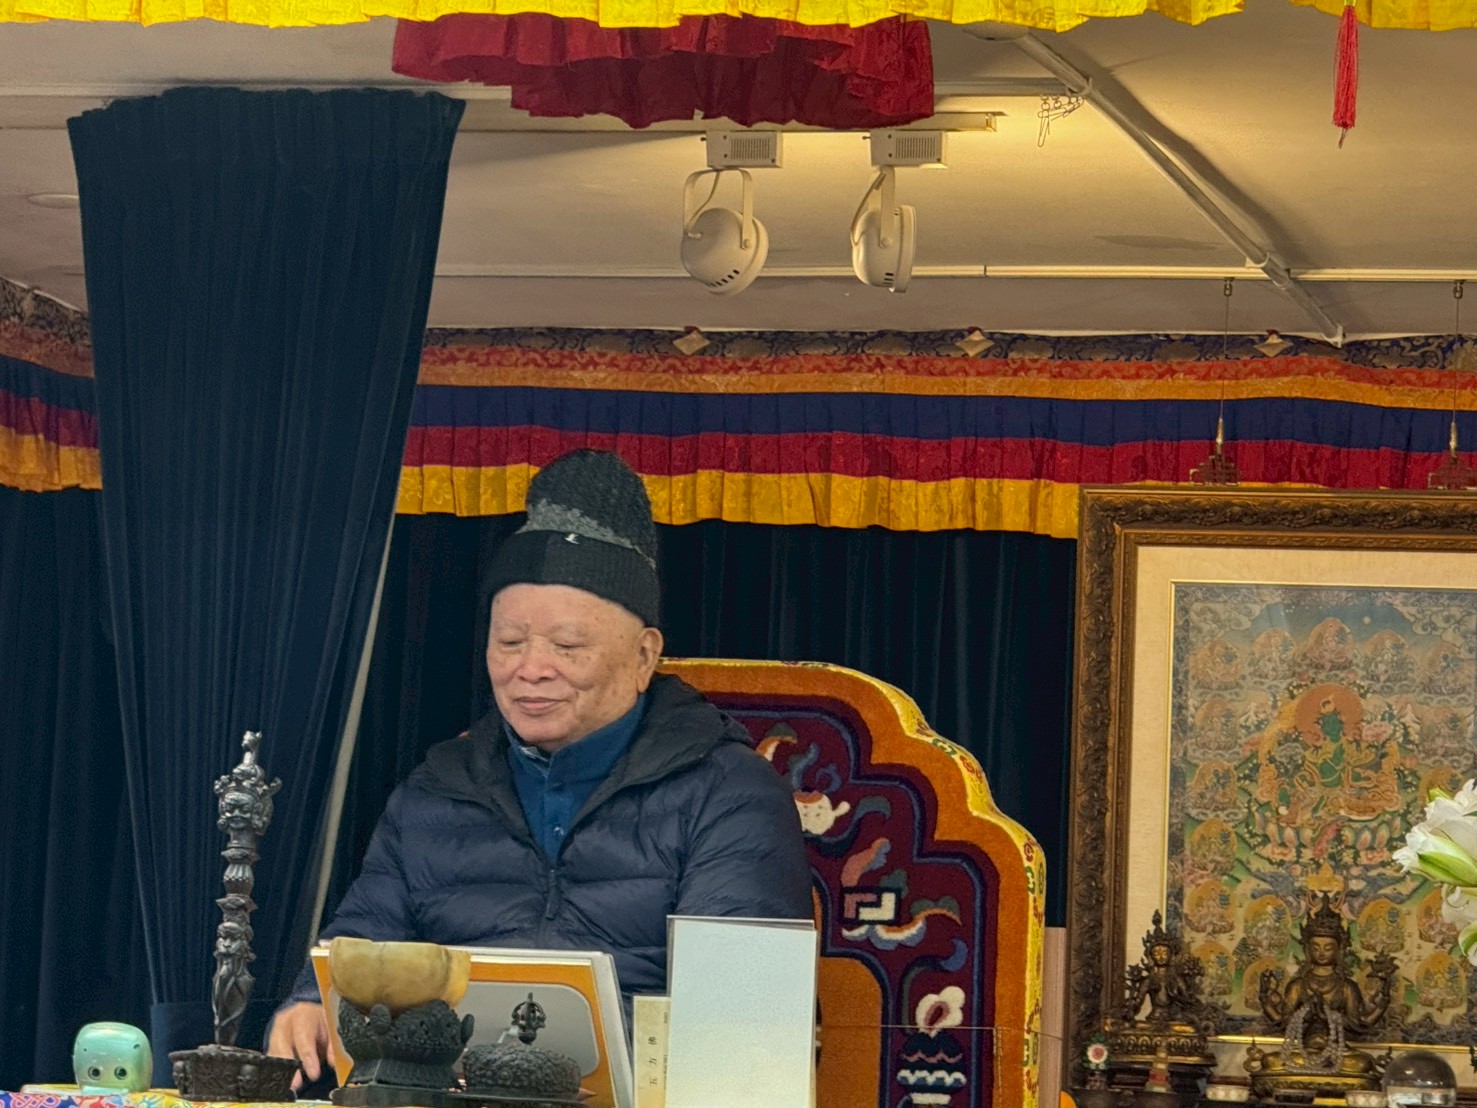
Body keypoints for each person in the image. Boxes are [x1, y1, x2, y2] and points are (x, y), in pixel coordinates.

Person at [267, 449, 813, 1084]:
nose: (530, 670)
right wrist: (313, 1002)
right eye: (510, 642)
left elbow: (744, 1033)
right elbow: (364, 945)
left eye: (567, 646)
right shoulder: (437, 792)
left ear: (644, 657)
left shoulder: (730, 794)